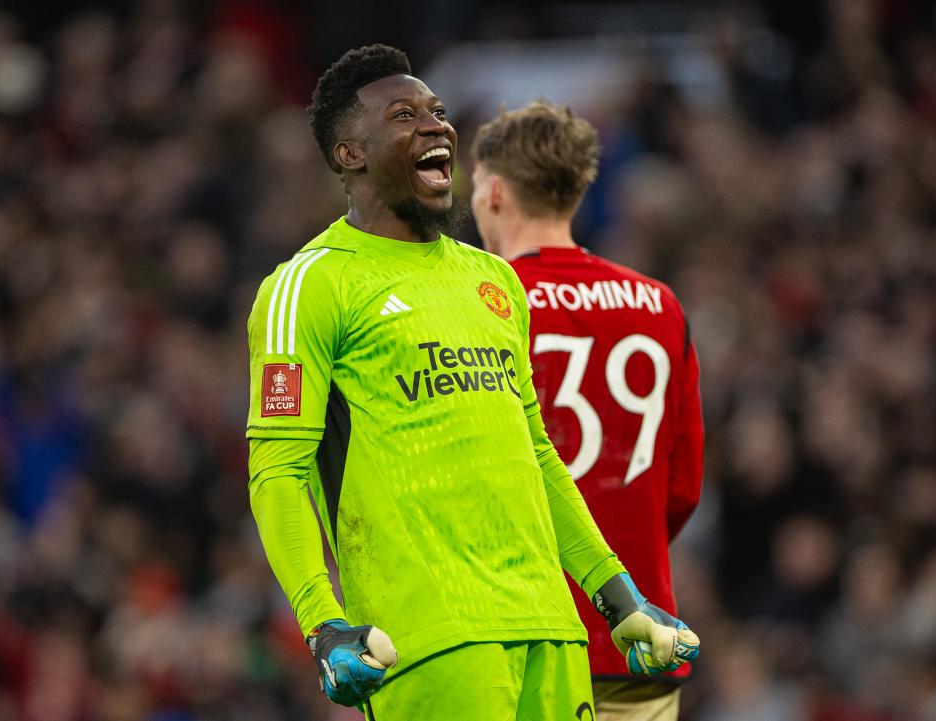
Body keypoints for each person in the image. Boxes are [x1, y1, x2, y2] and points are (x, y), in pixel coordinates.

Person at [245, 45, 700, 720]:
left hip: (551, 629)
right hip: (431, 641)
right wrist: (322, 622)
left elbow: (537, 455)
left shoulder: (493, 280)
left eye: (437, 111)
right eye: (404, 116)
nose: (437, 126)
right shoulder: (310, 285)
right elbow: (277, 472)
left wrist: (617, 595)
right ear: (350, 154)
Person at [470, 100, 704, 720]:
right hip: (643, 638)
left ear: (495, 193)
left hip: (523, 639)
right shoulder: (660, 305)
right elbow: (682, 488)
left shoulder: (483, 305)